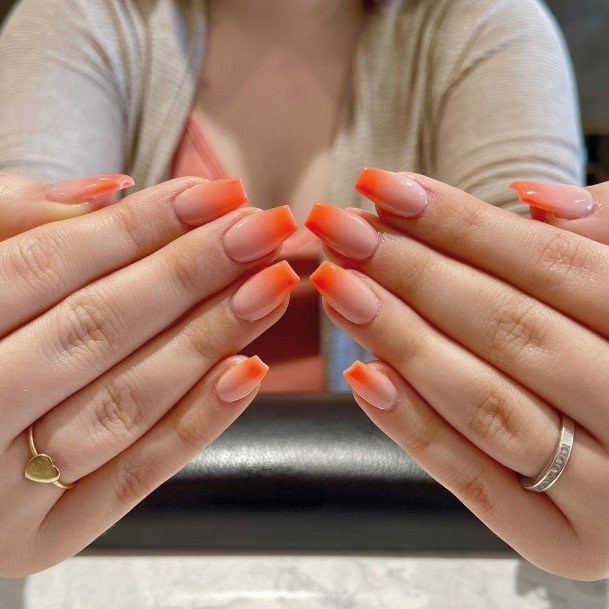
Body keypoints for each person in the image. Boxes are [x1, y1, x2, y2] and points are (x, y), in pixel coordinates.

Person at [0, 0, 603, 581]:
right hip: (110, 553)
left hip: (401, 539)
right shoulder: (83, 14)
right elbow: (37, 278)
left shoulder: (485, 20)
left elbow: (531, 297)